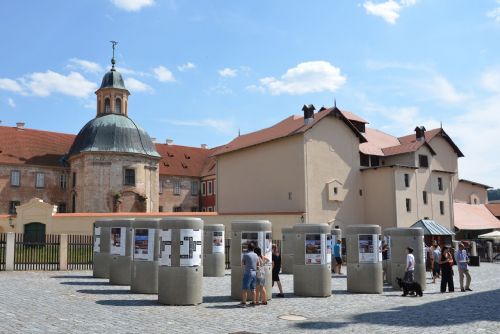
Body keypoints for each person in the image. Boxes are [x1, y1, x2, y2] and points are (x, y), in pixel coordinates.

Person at [240, 242, 258, 307]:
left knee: (245, 288)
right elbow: (258, 264)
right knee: (253, 289)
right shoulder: (256, 255)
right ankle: (254, 302)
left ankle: (244, 302)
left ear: (248, 248)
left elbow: (242, 264)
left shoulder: (246, 255)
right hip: (254, 273)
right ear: (254, 248)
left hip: (248, 273)